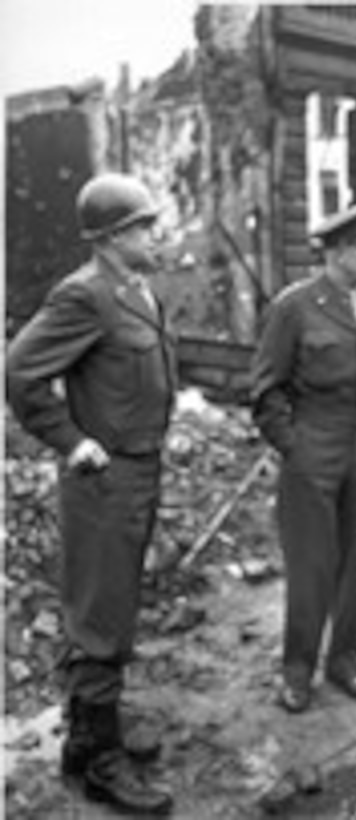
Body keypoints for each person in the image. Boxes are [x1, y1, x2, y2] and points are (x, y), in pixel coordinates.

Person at [6, 172, 176, 814]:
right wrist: (70, 439)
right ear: (110, 237)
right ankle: (98, 761)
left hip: (140, 472)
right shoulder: (84, 296)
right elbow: (20, 371)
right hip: (101, 480)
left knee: (117, 602)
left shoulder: (138, 292)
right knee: (98, 612)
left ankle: (90, 735)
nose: (155, 235)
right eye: (144, 226)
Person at [251, 198, 356, 713]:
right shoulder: (293, 307)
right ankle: (298, 669)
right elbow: (265, 389)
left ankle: (345, 660)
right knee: (311, 563)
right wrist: (293, 445)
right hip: (312, 444)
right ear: (338, 252)